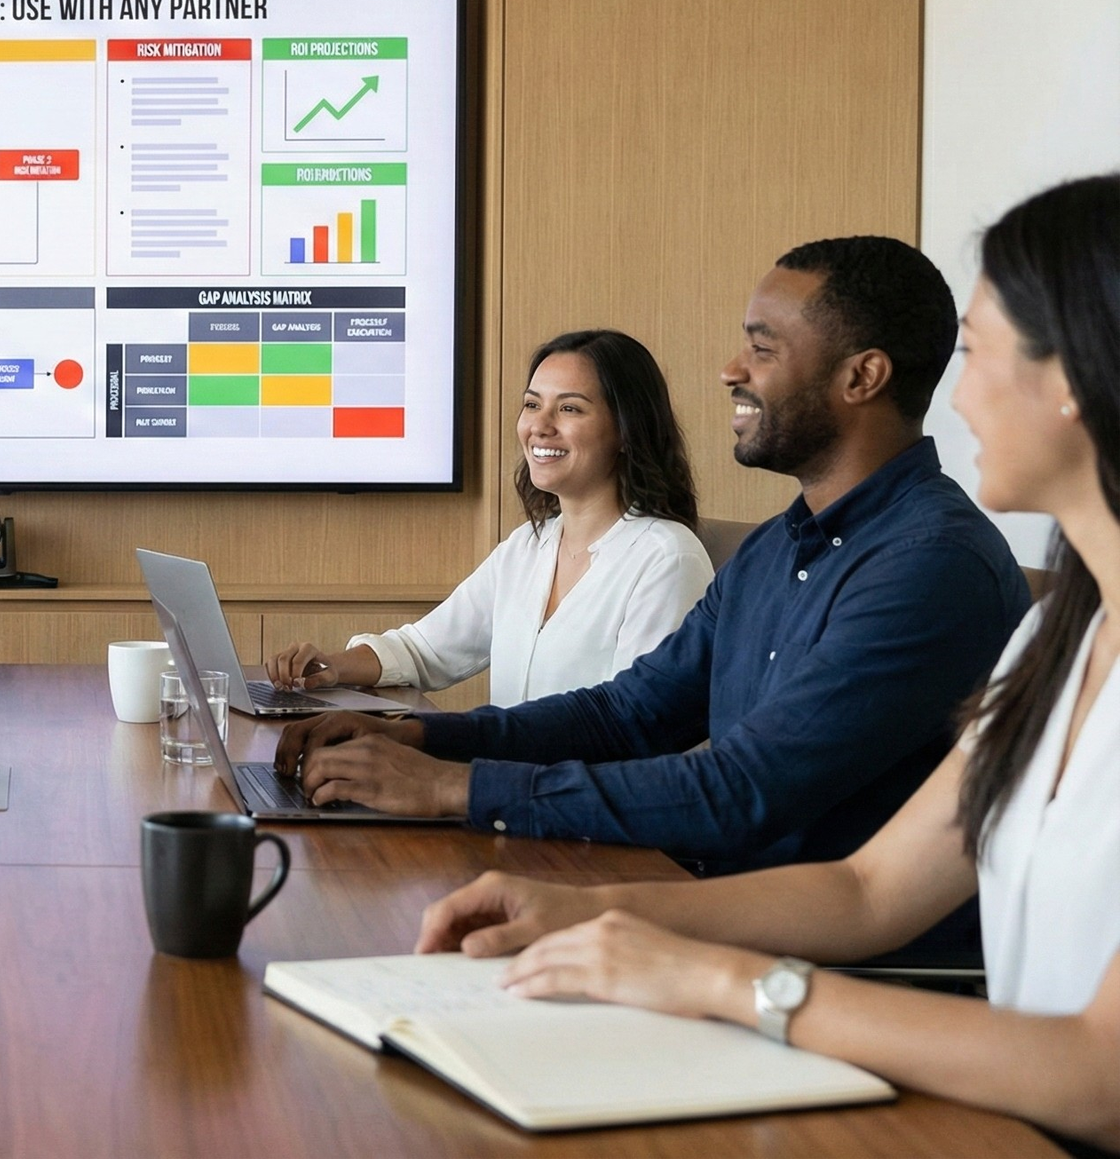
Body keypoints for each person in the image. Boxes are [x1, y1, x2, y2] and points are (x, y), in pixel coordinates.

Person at [411, 177, 1120, 1159]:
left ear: (1074, 374)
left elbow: (1100, 1075)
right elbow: (868, 888)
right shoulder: (1058, 642)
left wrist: (716, 979)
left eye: (984, 349)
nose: (956, 390)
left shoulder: (942, 564)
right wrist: (589, 909)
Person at [275, 237, 1030, 891]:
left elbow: (741, 792)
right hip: (702, 906)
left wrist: (456, 788)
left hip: (810, 964)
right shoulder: (778, 546)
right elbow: (627, 714)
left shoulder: (931, 567)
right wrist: (423, 740)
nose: (731, 370)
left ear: (861, 378)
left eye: (763, 349)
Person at [268, 329, 711, 707]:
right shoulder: (529, 546)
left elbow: (636, 729)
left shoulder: (666, 559)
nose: (540, 425)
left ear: (627, 431)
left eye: (570, 408)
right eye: (533, 404)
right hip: (509, 794)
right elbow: (426, 650)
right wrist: (332, 666)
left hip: (584, 803)